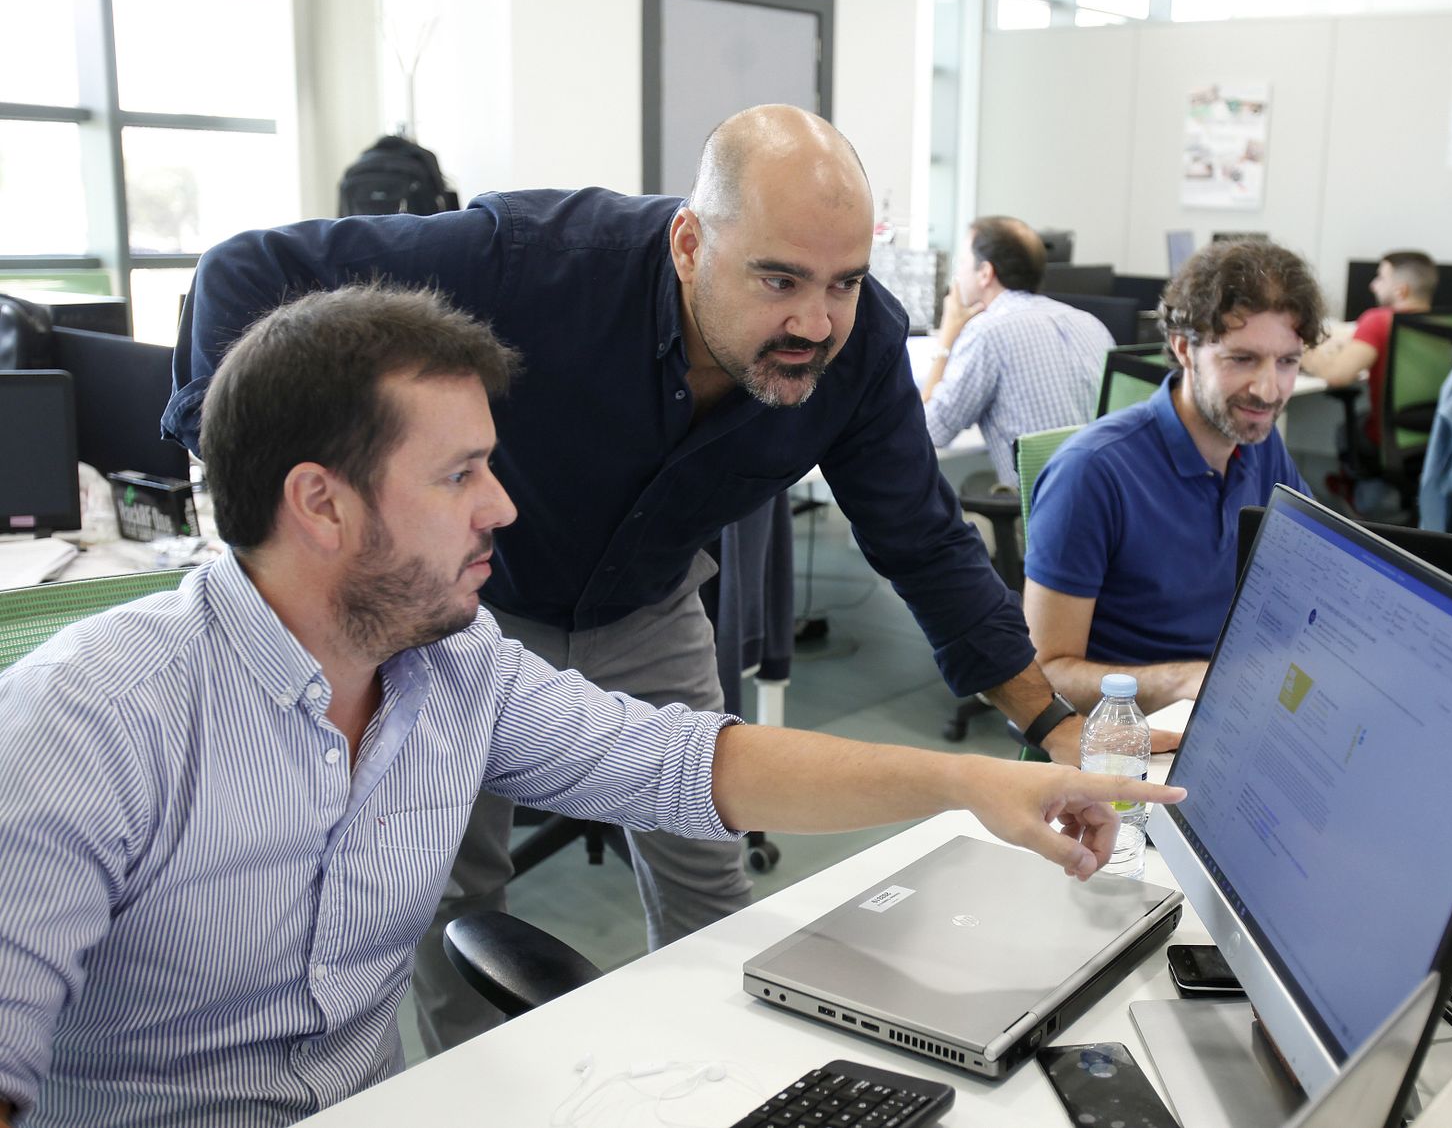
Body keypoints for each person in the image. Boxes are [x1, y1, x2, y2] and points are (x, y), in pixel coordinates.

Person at [0, 285, 1184, 1128]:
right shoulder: (90, 725)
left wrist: (968, 779)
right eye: (460, 473)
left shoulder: (453, 667)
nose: (504, 508)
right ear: (321, 503)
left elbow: (688, 765)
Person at [159, 105, 1100, 1055]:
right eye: (779, 278)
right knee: (452, 892)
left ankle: (720, 1076)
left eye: (844, 284)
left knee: (709, 870)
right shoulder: (532, 261)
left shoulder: (854, 354)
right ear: (690, 243)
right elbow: (246, 267)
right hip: (470, 621)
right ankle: (467, 1095)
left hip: (649, 606)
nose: (816, 322)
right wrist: (268, 503)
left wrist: (1048, 727)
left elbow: (923, 541)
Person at [1022, 240, 1322, 716]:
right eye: (1242, 359)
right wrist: (1186, 679)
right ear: (1185, 348)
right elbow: (1046, 676)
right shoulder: (1092, 473)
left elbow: (1310, 574)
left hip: (1235, 700)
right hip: (1136, 731)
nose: (1268, 390)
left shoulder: (1261, 446)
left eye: (1287, 361)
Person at [922, 216, 1113, 490]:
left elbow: (928, 431)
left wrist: (948, 335)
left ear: (985, 273)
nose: (958, 274)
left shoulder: (987, 332)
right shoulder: (1090, 323)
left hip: (1042, 516)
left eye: (962, 262)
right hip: (1103, 508)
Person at [1300, 250, 1437, 479]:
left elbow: (1337, 375)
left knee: (1346, 431)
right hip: (1434, 442)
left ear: (1400, 290)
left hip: (1387, 440)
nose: (1373, 285)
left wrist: (1301, 347)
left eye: (1381, 278)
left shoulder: (1379, 321)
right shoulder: (1447, 327)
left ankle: (1356, 493)